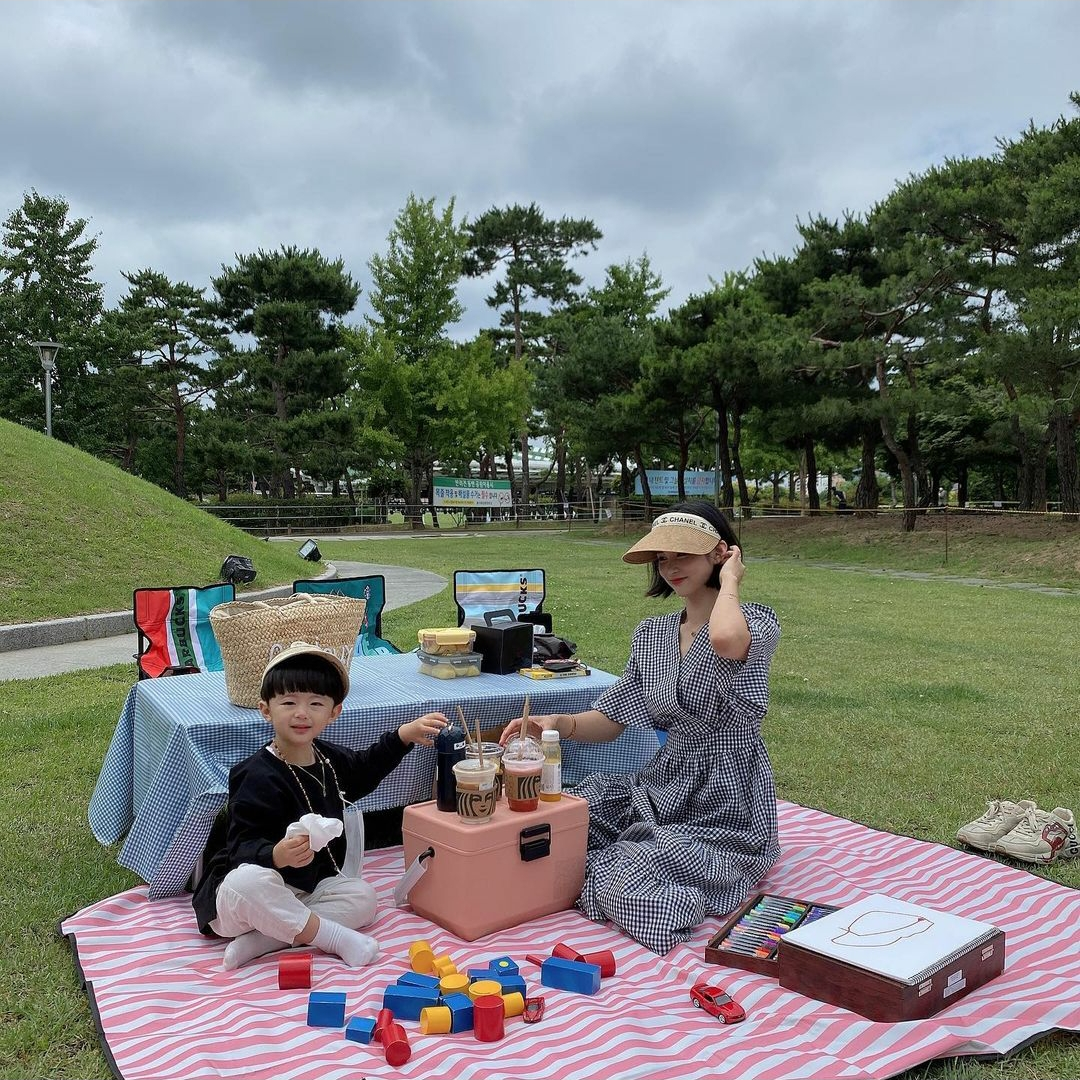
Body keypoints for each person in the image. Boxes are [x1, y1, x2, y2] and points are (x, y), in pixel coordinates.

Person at [501, 500, 781, 955]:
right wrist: (557, 723)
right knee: (570, 816)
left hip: (726, 794)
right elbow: (612, 720)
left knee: (627, 868)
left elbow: (726, 640)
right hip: (663, 781)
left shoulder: (754, 622)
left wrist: (731, 580)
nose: (669, 567)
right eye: (662, 557)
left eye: (682, 554)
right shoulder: (652, 635)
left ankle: (666, 896)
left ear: (720, 553)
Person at [192, 641, 446, 970]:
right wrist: (275, 855)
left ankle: (268, 939)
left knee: (363, 898)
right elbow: (240, 845)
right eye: (288, 702)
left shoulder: (329, 759)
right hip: (246, 895)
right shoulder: (253, 774)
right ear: (266, 709)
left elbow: (365, 770)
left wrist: (403, 736)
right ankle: (335, 939)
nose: (302, 713)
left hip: (305, 889)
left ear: (334, 712)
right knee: (248, 882)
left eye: (315, 703)